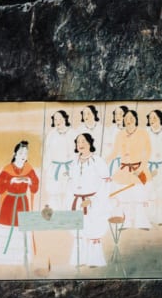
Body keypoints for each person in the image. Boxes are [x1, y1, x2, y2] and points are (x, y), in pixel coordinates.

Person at [0, 140, 40, 265]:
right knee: (7, 229)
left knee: (22, 231)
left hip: (23, 203)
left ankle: (22, 259)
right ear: (15, 153)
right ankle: (4, 258)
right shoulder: (7, 169)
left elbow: (35, 187)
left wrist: (29, 181)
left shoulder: (29, 169)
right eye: (21, 152)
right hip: (9, 204)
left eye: (26, 153)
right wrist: (11, 181)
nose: (24, 155)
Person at [67, 132, 109, 268]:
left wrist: (92, 200)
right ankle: (79, 259)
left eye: (84, 141)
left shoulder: (98, 161)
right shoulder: (74, 162)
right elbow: (70, 183)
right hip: (77, 201)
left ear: (90, 143)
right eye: (78, 142)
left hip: (93, 202)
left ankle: (94, 260)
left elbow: (105, 184)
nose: (81, 145)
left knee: (93, 229)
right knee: (79, 231)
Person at [110, 108, 152, 230]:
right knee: (125, 198)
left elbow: (148, 151)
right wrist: (103, 160)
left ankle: (142, 222)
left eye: (131, 118)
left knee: (140, 197)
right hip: (124, 170)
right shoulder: (120, 134)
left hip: (138, 169)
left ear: (136, 119)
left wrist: (141, 168)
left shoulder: (143, 133)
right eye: (126, 118)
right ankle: (126, 222)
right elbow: (114, 152)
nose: (129, 120)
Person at [41, 109, 72, 208]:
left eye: (60, 118)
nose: (57, 121)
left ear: (65, 119)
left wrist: (71, 170)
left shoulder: (72, 133)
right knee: (54, 195)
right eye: (55, 119)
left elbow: (75, 153)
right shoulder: (51, 134)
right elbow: (47, 153)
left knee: (68, 195)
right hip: (54, 168)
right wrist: (48, 168)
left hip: (68, 168)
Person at [146, 109, 162, 226]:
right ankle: (150, 217)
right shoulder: (146, 133)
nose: (152, 120)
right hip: (148, 165)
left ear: (160, 118)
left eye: (155, 117)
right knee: (150, 192)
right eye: (150, 118)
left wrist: (160, 170)